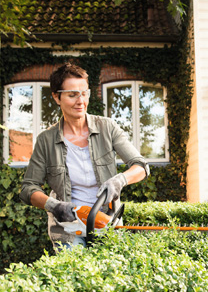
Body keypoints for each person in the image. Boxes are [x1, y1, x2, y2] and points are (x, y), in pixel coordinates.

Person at [19, 62, 149, 251]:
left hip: (106, 221)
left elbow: (141, 166)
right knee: (76, 273)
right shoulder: (46, 140)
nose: (81, 101)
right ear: (57, 97)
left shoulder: (107, 127)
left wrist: (120, 180)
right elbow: (28, 188)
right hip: (67, 227)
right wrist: (55, 206)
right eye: (72, 95)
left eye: (84, 93)